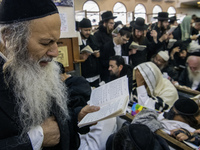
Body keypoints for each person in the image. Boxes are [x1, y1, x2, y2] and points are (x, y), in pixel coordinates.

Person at [0, 0, 100, 149]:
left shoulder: (37, 64)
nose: (55, 53)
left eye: (57, 42)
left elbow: (53, 121)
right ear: (9, 37)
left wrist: (76, 117)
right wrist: (34, 140)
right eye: (46, 43)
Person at [78, 18, 100, 87]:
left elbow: (98, 49)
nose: (88, 32)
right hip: (84, 74)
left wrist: (97, 54)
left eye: (89, 30)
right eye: (85, 30)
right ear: (80, 29)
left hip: (95, 73)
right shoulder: (76, 40)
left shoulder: (93, 38)